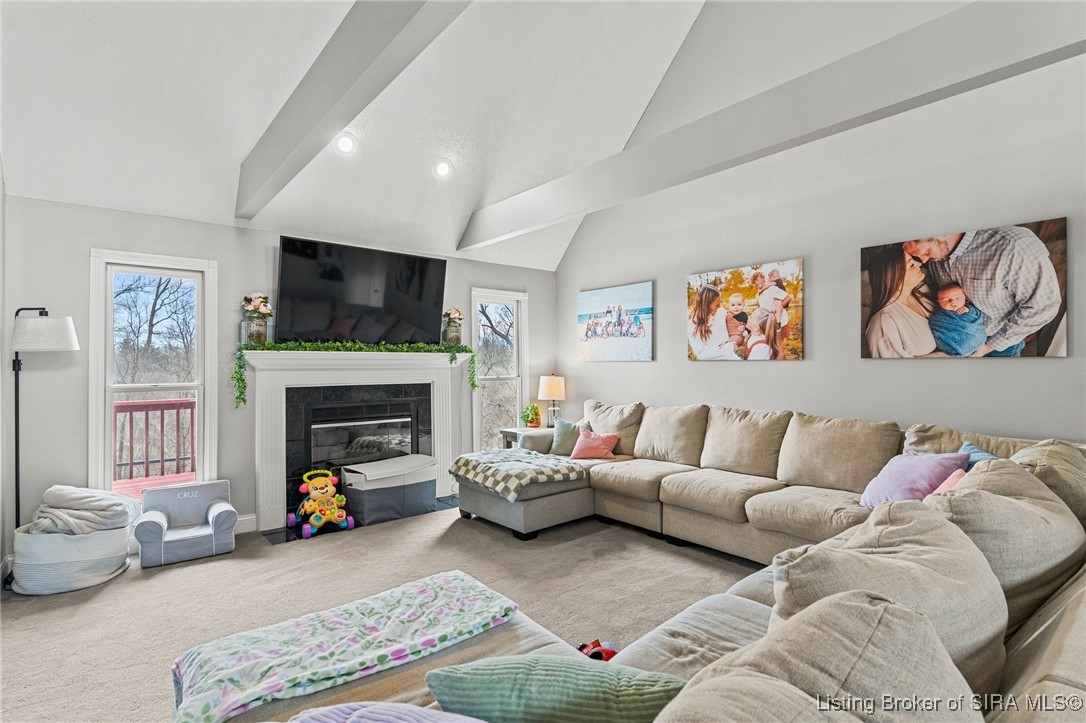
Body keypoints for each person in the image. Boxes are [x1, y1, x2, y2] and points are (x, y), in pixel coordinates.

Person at [903, 226, 1060, 357]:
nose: (922, 261)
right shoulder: (935, 257)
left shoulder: (1014, 246)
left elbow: (1043, 306)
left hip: (999, 343)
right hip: (956, 338)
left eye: (923, 253)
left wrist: (988, 347)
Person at [865, 245, 940, 358]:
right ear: (893, 278)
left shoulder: (922, 289)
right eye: (911, 265)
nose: (919, 264)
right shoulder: (883, 323)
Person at [929, 282, 991, 357]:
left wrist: (969, 310)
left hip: (976, 340)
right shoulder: (939, 316)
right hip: (951, 348)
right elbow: (936, 326)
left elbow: (977, 316)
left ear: (965, 297)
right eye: (945, 300)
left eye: (957, 298)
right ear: (938, 302)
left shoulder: (969, 309)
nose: (952, 301)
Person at [752, 270, 792, 358]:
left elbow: (788, 297)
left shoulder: (772, 289)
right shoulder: (757, 295)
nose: (757, 282)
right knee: (772, 349)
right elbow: (761, 309)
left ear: (763, 279)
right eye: (755, 281)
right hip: (769, 324)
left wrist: (776, 310)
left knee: (779, 349)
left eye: (759, 279)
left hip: (780, 322)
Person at [687, 285, 731, 360]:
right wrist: (725, 349)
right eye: (716, 305)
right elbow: (702, 353)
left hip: (730, 357)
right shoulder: (692, 325)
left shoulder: (721, 312)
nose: (720, 307)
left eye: (719, 303)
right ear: (705, 306)